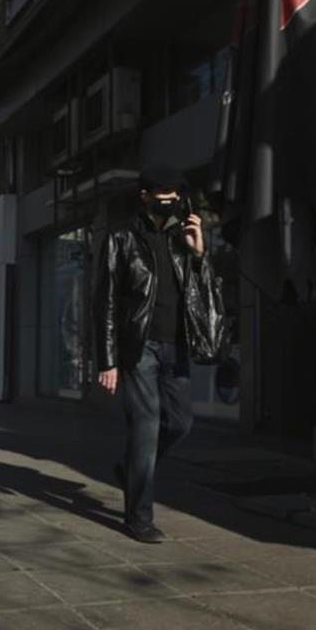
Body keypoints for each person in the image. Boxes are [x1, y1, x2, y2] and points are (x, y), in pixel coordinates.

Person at [94, 164, 223, 544]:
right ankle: (138, 517)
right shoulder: (121, 239)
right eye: (163, 197)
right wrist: (108, 360)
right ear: (145, 197)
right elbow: (105, 302)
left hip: (177, 345)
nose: (171, 203)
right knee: (146, 430)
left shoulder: (185, 239)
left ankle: (130, 467)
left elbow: (205, 297)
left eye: (176, 197)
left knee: (181, 423)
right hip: (139, 349)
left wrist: (200, 254)